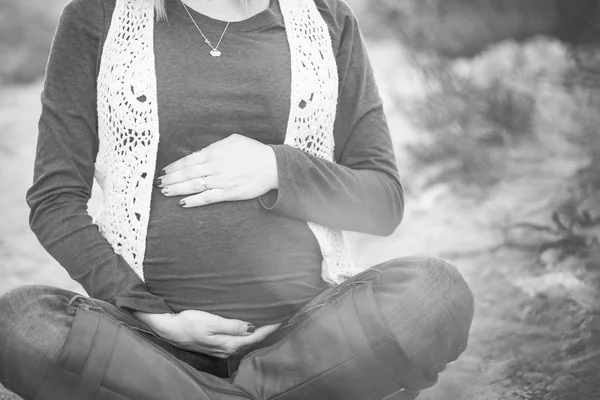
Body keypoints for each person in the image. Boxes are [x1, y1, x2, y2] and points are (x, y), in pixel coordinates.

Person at [0, 0, 475, 398]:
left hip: (307, 334)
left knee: (435, 292)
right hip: (147, 343)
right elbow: (55, 198)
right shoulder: (98, 16)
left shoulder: (327, 18)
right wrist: (155, 316)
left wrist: (276, 168)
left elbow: (382, 201)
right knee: (20, 323)